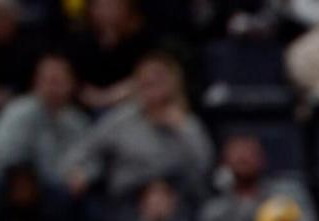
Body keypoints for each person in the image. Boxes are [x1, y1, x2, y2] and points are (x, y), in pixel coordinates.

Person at [60, 52, 213, 204]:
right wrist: (80, 171)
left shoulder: (185, 122)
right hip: (130, 197)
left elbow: (204, 165)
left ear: (173, 82)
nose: (152, 84)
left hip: (175, 197)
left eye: (158, 79)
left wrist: (184, 129)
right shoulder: (122, 118)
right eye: (146, 81)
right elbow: (85, 148)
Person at [0, 54, 89, 194]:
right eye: (49, 81)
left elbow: (89, 156)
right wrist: (62, 177)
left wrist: (85, 174)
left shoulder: (75, 120)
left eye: (59, 82)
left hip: (53, 191)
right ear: (36, 82)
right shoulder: (19, 112)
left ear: (72, 84)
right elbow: (9, 160)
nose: (53, 88)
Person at [200, 134, 318, 221]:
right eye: (237, 155)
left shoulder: (287, 193)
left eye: (248, 153)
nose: (243, 158)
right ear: (224, 162)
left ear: (262, 159)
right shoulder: (216, 208)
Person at [64, 0, 156, 110]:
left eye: (113, 5)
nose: (107, 12)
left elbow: (147, 75)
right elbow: (69, 74)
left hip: (129, 104)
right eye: (100, 5)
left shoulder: (143, 39)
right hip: (80, 106)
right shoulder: (79, 38)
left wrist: (109, 97)